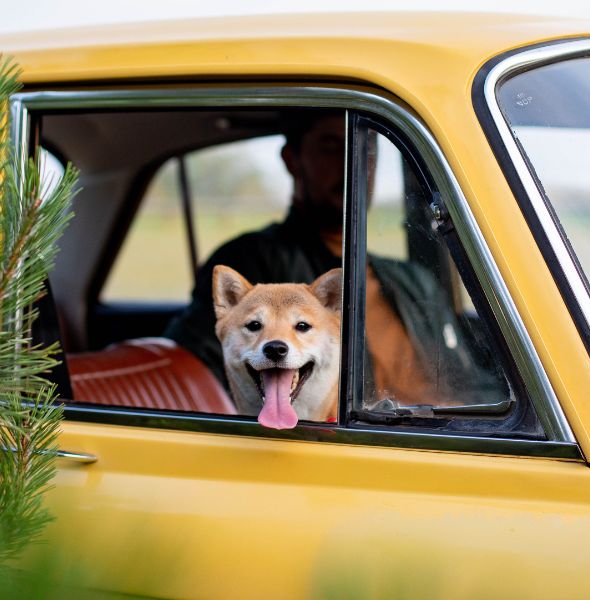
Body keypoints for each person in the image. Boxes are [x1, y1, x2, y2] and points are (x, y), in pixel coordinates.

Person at [165, 109, 505, 409]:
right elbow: (197, 365)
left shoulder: (415, 279)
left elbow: (469, 380)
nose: (352, 161)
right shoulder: (253, 262)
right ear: (292, 160)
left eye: (365, 148)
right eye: (331, 147)